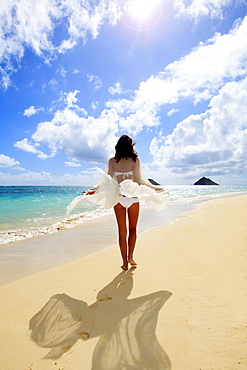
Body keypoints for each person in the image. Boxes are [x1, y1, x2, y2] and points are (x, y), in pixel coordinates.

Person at [67, 135, 169, 270]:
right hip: (132, 199)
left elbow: (106, 181)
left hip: (119, 199)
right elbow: (139, 181)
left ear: (118, 146)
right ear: (130, 146)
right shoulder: (135, 160)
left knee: (122, 231)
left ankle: (124, 263)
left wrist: (93, 190)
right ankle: (131, 257)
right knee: (132, 229)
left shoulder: (112, 161)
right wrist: (156, 189)